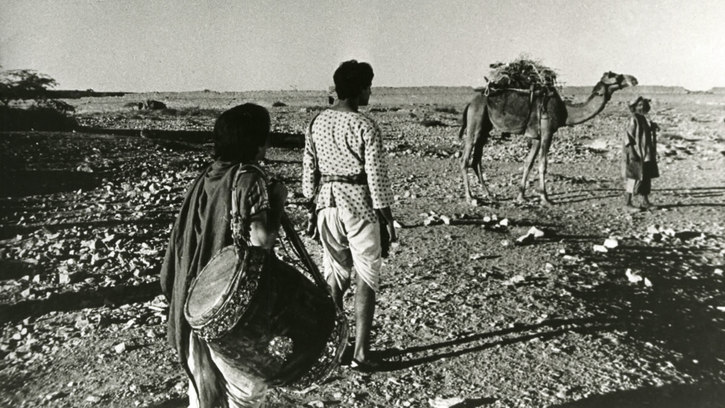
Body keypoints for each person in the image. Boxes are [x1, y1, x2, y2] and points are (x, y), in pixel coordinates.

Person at [160, 103, 287, 407]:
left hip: (196, 297)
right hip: (229, 300)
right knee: (246, 387)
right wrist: (278, 204)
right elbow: (261, 240)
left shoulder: (207, 176)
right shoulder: (250, 179)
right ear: (256, 142)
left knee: (203, 386)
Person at [302, 60, 396, 371]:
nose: (370, 92)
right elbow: (376, 175)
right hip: (359, 205)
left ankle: (335, 347)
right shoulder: (364, 125)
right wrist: (386, 216)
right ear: (358, 90)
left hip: (326, 204)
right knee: (366, 275)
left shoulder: (316, 122)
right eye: (368, 86)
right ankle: (361, 353)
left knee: (335, 276)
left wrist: (309, 202)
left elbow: (308, 171)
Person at [623, 96, 660, 211]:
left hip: (646, 153)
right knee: (633, 177)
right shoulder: (634, 119)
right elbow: (628, 137)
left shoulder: (643, 119)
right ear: (634, 107)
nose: (642, 107)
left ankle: (645, 202)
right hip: (637, 153)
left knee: (646, 177)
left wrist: (652, 127)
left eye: (643, 105)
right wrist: (632, 152)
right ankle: (627, 203)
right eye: (639, 105)